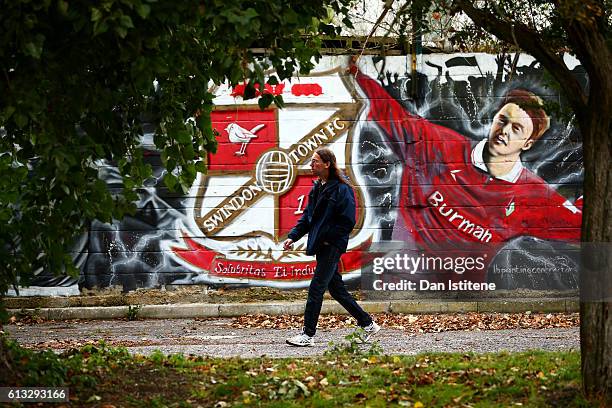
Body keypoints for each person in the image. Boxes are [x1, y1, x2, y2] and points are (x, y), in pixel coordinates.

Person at [350, 61, 582, 283]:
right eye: (503, 120)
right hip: (403, 282)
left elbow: (579, 224)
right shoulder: (437, 145)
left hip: (465, 290)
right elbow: (389, 112)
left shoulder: (532, 194)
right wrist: (353, 73)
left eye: (517, 128)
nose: (505, 131)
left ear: (527, 143)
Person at [283, 147, 380, 347]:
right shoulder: (317, 188)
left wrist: (329, 239)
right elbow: (307, 218)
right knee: (336, 290)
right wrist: (292, 237)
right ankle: (367, 323)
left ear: (327, 164)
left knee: (316, 288)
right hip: (322, 245)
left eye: (315, 161)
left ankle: (307, 335)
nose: (311, 164)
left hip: (331, 246)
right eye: (311, 161)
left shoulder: (342, 189)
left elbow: (347, 221)